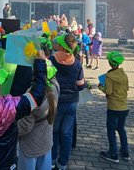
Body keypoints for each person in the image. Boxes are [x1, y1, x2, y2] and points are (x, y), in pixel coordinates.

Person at [50, 34, 86, 170]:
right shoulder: (77, 63)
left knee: (54, 131)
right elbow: (80, 85)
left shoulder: (52, 59)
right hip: (71, 103)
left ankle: (52, 159)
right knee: (67, 133)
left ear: (61, 46)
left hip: (56, 101)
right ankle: (63, 163)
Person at [17, 61, 60, 170]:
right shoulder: (55, 88)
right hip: (46, 141)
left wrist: (12, 129)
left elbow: (25, 126)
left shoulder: (31, 95)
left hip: (29, 146)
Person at [98, 51, 130, 163]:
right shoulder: (124, 74)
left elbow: (109, 91)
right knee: (121, 129)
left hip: (113, 108)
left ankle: (113, 154)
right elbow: (126, 89)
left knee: (111, 131)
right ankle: (125, 153)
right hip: (124, 107)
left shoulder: (109, 76)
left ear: (109, 62)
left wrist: (101, 87)